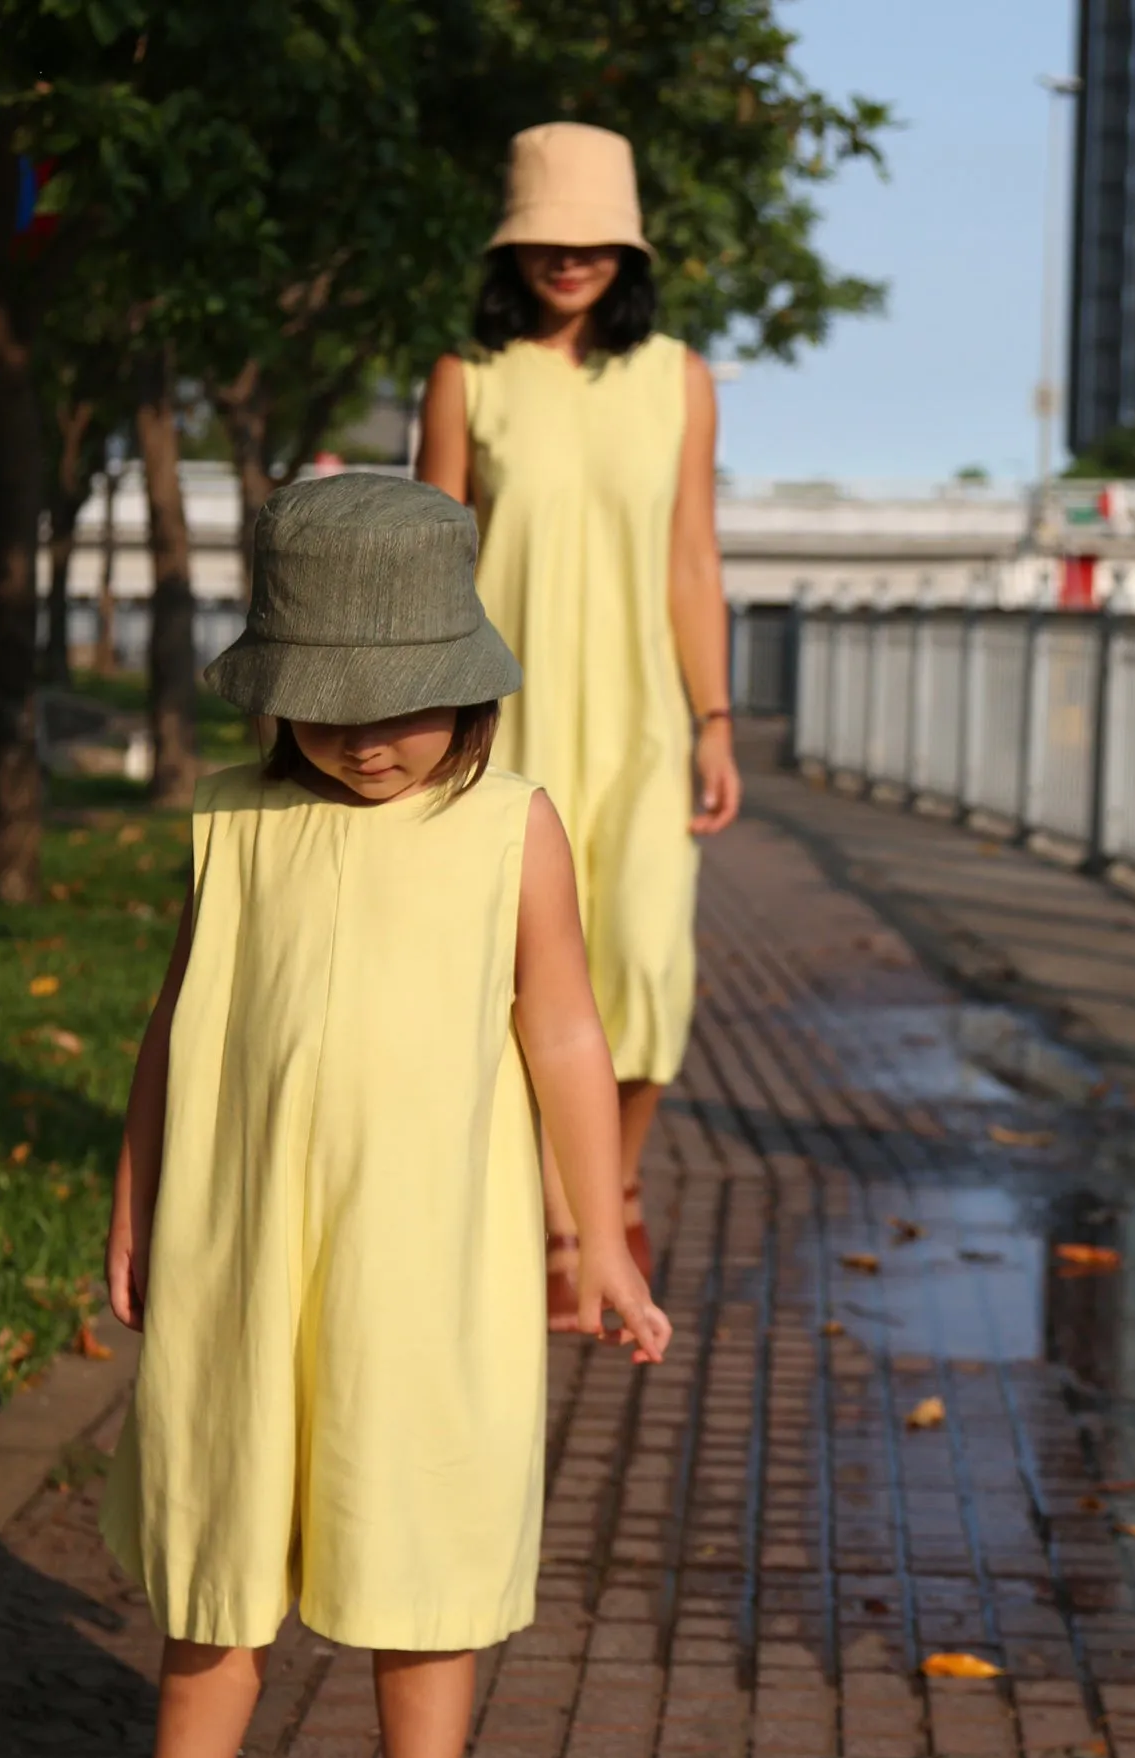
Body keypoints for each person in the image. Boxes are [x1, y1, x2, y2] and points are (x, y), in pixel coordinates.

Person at [36, 473, 670, 1758]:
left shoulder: (508, 825)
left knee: (416, 1546)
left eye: (405, 703)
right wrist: (136, 1196)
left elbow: (567, 1034)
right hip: (242, 1253)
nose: (370, 735)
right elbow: (178, 1021)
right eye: (332, 705)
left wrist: (601, 1238)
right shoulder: (236, 822)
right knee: (218, 1548)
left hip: (425, 1260)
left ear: (469, 688)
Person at [417, 121, 742, 1327]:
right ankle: (561, 1216)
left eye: (592, 236)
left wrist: (713, 717)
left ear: (626, 246)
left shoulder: (678, 380)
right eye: (545, 237)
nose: (568, 257)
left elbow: (692, 558)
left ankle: (606, 1175)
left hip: (646, 719)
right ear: (513, 246)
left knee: (649, 965)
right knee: (519, 972)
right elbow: (432, 556)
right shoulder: (468, 376)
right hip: (509, 714)